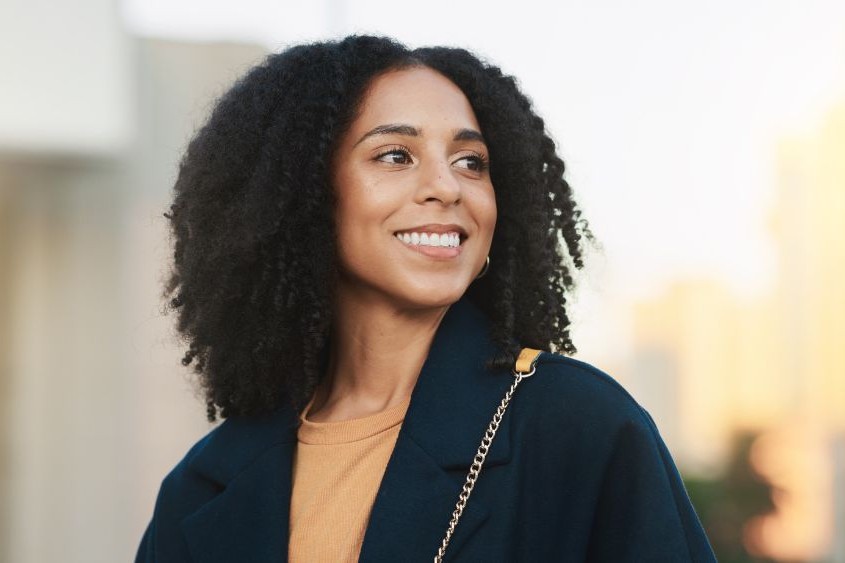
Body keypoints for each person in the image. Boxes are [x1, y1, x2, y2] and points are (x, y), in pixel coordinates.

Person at [136, 35, 716, 562]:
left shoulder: (578, 427)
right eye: (395, 155)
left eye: (471, 162)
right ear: (304, 195)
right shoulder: (203, 488)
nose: (447, 186)